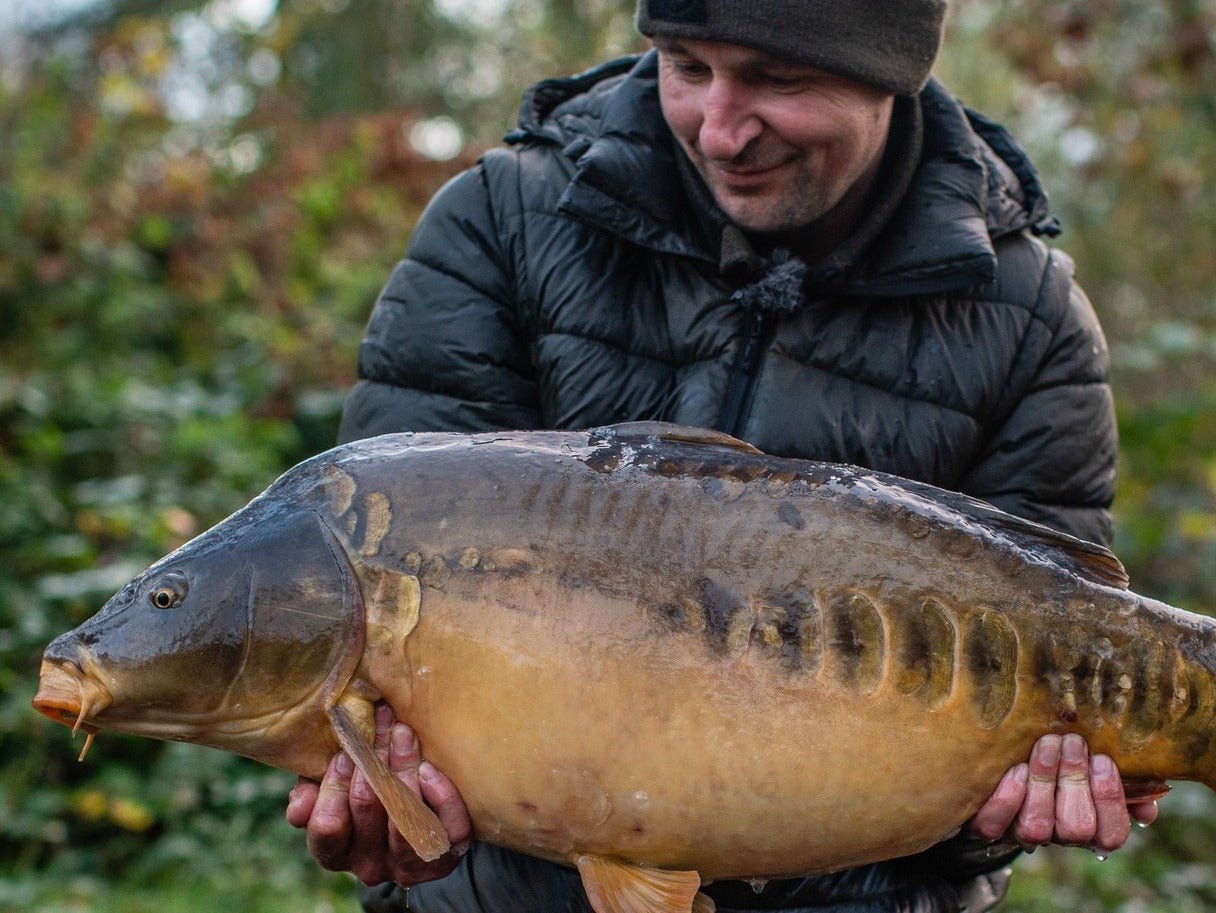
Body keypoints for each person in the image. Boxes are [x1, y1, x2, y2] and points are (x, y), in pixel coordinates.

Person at [286, 1, 1161, 910]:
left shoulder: (1030, 319)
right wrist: (393, 817)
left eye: (779, 80)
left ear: (890, 77)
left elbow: (1060, 662)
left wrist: (1006, 819)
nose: (720, 128)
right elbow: (377, 590)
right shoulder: (501, 222)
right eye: (686, 65)